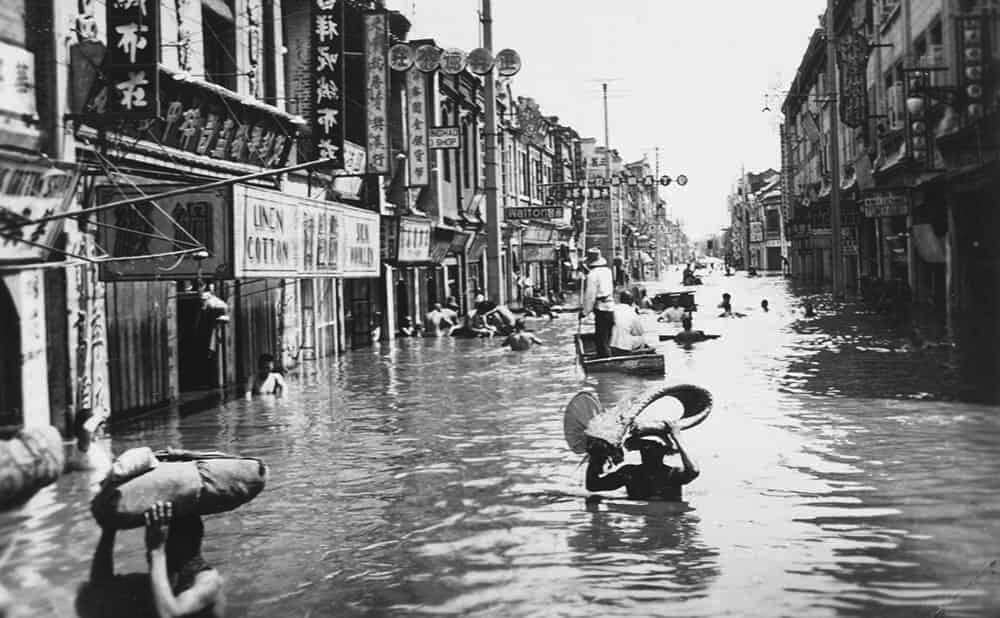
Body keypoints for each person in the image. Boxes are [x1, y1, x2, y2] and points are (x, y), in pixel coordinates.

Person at [86, 502, 225, 617]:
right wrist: (109, 531)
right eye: (150, 539)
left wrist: (157, 552)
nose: (147, 549)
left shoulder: (209, 582)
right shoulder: (157, 581)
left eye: (152, 539)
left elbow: (169, 615)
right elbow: (100, 586)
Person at [586, 419, 699, 501]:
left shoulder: (672, 474)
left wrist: (677, 437)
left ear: (663, 451)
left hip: (667, 526)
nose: (648, 450)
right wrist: (598, 453)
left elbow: (694, 470)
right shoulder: (630, 473)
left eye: (653, 447)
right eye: (644, 446)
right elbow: (593, 485)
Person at [580, 247, 615, 358]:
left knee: (600, 339)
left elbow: (590, 296)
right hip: (610, 307)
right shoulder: (607, 271)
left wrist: (585, 312)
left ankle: (605, 360)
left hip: (601, 309)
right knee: (607, 337)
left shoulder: (592, 275)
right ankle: (607, 356)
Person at [64, 408, 111, 474]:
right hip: (104, 476)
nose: (103, 427)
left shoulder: (80, 447)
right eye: (99, 425)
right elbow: (86, 429)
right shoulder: (87, 446)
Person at [610, 291, 654, 355]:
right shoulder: (632, 312)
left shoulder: (613, 308)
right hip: (624, 347)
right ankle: (639, 353)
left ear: (620, 300)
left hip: (610, 345)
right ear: (631, 301)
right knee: (642, 338)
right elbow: (639, 332)